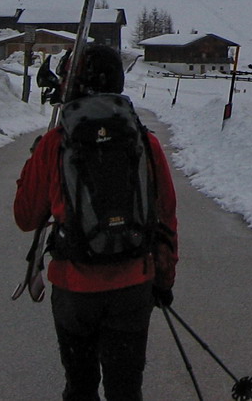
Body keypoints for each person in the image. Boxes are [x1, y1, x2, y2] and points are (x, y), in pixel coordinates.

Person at [14, 43, 179, 401]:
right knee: (125, 391)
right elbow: (166, 216)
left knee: (80, 387)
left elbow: (26, 218)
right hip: (132, 286)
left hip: (75, 291)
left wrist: (32, 165)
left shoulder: (55, 144)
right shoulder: (145, 142)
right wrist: (163, 280)